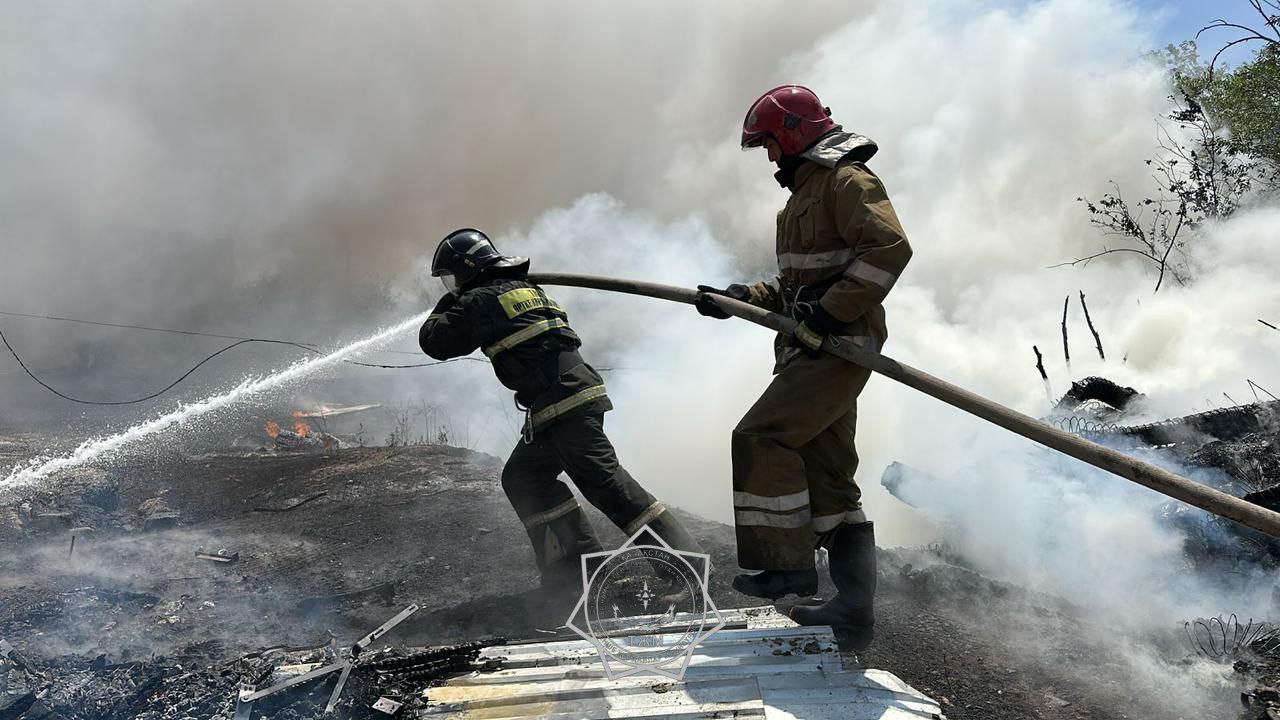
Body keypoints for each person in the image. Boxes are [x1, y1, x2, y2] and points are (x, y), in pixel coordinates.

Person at [695, 85, 912, 636]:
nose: (768, 155)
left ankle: (786, 567)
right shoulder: (799, 200)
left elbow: (889, 250)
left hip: (840, 345)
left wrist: (831, 314)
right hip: (811, 345)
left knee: (760, 437)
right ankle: (854, 614)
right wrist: (743, 297)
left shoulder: (847, 180)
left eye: (769, 142)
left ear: (791, 133)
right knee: (830, 480)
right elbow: (799, 288)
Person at [420, 228, 702, 597]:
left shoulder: (482, 300)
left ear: (468, 269)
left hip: (564, 403)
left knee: (608, 485)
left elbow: (435, 341)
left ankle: (689, 571)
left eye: (451, 278)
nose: (451, 285)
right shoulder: (524, 290)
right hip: (561, 402)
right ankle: (578, 578)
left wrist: (448, 302)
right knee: (525, 479)